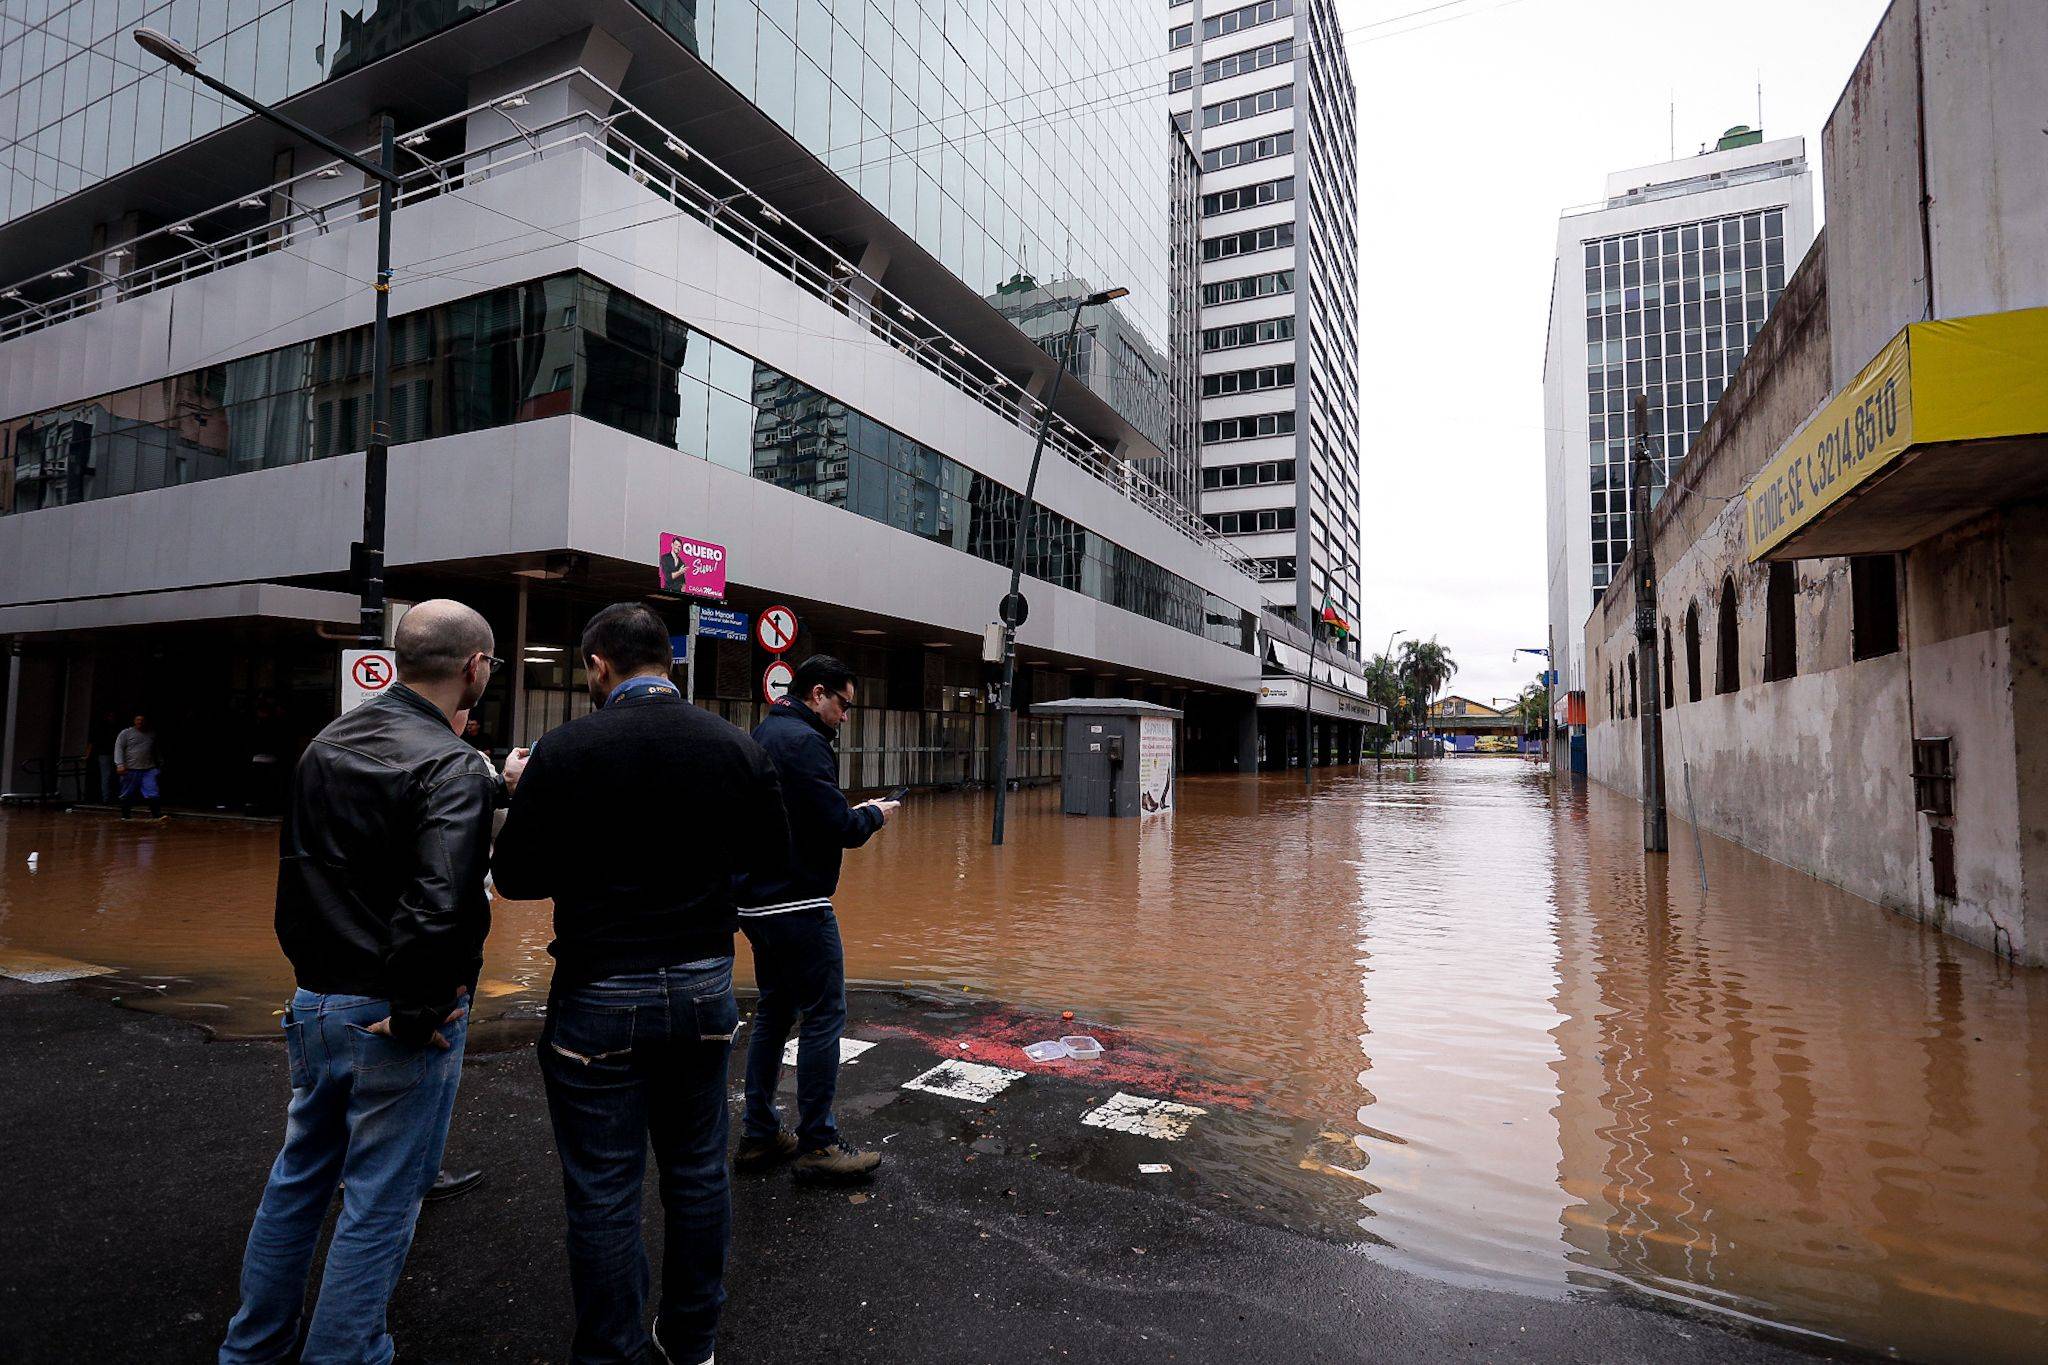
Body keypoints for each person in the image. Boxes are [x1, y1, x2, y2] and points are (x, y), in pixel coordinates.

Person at [220, 600, 524, 1365]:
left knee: (298, 1181)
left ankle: (252, 1347)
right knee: (380, 1200)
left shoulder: (328, 742)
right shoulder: (453, 763)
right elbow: (443, 900)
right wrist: (421, 1012)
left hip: (314, 998)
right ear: (475, 667)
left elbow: (308, 869)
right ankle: (345, 1352)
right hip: (392, 1011)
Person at [493, 602, 789, 1365]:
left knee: (603, 1188)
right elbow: (772, 858)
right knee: (696, 1171)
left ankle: (612, 1349)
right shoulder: (734, 746)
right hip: (704, 984)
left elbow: (516, 876)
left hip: (598, 989)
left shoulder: (564, 749)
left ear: (599, 664)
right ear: (670, 659)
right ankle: (692, 1341)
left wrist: (542, 807)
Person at [734, 654, 898, 1183]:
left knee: (775, 1014)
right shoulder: (804, 744)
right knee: (824, 1014)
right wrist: (875, 814)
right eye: (843, 705)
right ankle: (819, 1144)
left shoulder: (766, 732)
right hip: (799, 902)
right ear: (818, 694)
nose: (845, 717)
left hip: (758, 902)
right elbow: (836, 826)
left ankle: (759, 1134)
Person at [114, 712, 163, 820]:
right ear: (134, 721)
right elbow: (119, 748)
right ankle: (125, 815)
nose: (140, 722)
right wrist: (120, 764)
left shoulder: (151, 734)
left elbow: (156, 750)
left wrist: (159, 762)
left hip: (148, 768)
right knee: (127, 792)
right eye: (138, 719)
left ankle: (156, 814)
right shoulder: (126, 733)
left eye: (142, 720)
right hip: (130, 768)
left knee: (152, 790)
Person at [87, 710, 119, 803]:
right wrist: (88, 754)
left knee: (110, 776)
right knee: (107, 776)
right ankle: (107, 798)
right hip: (105, 753)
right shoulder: (102, 728)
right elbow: (91, 742)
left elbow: (91, 742)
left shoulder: (111, 728)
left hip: (110, 753)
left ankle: (110, 797)